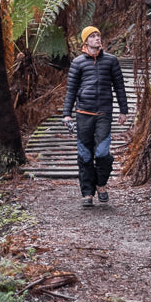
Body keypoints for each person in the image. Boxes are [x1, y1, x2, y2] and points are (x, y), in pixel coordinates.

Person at [62, 25, 128, 207]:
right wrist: (66, 114)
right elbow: (71, 90)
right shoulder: (77, 63)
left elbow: (119, 87)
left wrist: (123, 110)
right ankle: (87, 193)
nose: (97, 39)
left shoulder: (111, 61)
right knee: (84, 155)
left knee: (102, 153)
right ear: (86, 41)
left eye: (98, 35)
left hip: (104, 114)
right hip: (83, 114)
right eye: (92, 36)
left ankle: (101, 184)